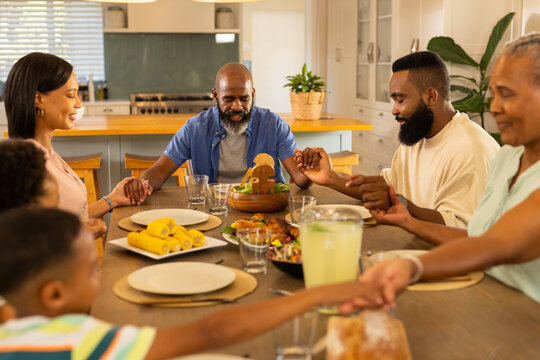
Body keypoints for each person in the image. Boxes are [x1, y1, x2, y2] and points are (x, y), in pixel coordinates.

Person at [0, 208, 383, 359]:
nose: (100, 274)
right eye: (92, 269)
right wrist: (320, 294)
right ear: (53, 295)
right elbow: (212, 332)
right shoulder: (79, 340)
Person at [353, 34, 540, 305]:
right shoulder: (508, 159)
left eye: (507, 94)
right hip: (487, 302)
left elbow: (494, 245)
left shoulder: (479, 149)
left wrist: (413, 267)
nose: (495, 107)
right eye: (494, 94)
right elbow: (476, 237)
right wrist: (408, 220)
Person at [296, 51, 500, 228]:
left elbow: (460, 230)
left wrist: (400, 202)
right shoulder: (418, 136)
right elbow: (386, 189)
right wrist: (330, 176)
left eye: (401, 100)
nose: (394, 110)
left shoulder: (470, 149)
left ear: (430, 96)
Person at [124, 63, 314, 204]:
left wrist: (309, 168)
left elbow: (300, 178)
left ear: (253, 94)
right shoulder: (194, 128)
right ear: (215, 95)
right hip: (214, 209)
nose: (238, 106)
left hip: (264, 208)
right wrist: (142, 184)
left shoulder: (274, 125)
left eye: (245, 98)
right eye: (229, 99)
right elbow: (159, 170)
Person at [4, 52, 146, 220]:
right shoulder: (25, 166)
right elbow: (31, 238)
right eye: (70, 95)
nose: (78, 104)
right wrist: (81, 231)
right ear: (38, 99)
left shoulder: (47, 152)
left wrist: (112, 199)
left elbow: (68, 217)